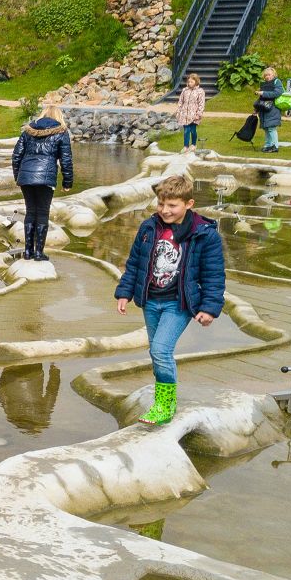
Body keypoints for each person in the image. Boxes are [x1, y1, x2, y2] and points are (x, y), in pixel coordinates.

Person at [113, 173, 226, 426]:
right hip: (151, 300)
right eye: (161, 204)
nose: (165, 210)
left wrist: (209, 307)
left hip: (179, 302)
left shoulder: (204, 235)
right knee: (157, 353)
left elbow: (214, 274)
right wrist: (124, 291)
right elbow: (135, 263)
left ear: (189, 204)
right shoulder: (148, 228)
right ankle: (165, 398)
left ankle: (164, 405)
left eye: (172, 205)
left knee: (161, 350)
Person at [9, 104, 74, 261]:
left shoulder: (28, 131)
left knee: (30, 211)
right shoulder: (61, 132)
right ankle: (39, 253)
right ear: (58, 116)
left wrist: (19, 176)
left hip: (26, 177)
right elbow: (66, 160)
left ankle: (27, 252)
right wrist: (67, 182)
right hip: (46, 178)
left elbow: (16, 156)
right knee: (43, 213)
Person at [175, 73, 206, 151]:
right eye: (189, 82)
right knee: (186, 131)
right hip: (184, 114)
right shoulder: (184, 90)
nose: (190, 83)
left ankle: (194, 144)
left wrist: (198, 114)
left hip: (194, 115)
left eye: (191, 82)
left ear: (196, 81)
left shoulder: (200, 91)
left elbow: (201, 104)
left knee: (193, 131)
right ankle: (185, 146)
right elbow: (180, 101)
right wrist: (178, 111)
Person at [255, 66, 283, 152]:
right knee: (266, 128)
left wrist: (263, 93)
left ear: (274, 74)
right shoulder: (264, 84)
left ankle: (275, 146)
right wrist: (256, 109)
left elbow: (278, 93)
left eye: (269, 75)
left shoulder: (277, 82)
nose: (267, 76)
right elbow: (261, 99)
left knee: (271, 128)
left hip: (273, 109)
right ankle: (268, 145)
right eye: (266, 75)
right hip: (264, 109)